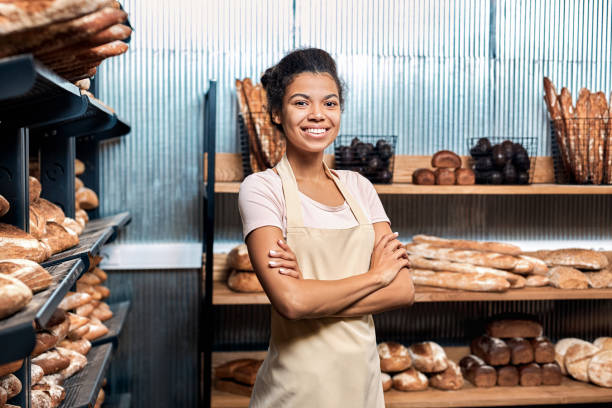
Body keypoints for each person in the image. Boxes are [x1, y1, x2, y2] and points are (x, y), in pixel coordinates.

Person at [238, 48, 414, 408]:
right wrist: (376, 277)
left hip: (362, 390)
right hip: (295, 393)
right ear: (276, 112)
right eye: (301, 103)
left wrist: (312, 296)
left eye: (330, 104)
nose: (317, 115)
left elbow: (403, 289)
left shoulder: (359, 187)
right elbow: (290, 301)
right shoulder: (261, 189)